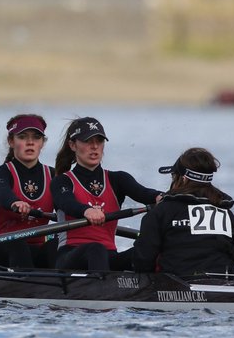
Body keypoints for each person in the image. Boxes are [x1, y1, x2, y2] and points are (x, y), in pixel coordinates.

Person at [52, 116, 161, 271]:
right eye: (87, 141)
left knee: (151, 250)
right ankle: (104, 290)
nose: (95, 146)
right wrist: (87, 211)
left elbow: (145, 193)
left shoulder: (118, 179)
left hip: (108, 256)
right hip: (70, 256)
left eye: (99, 141)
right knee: (96, 249)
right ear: (73, 145)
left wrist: (162, 197)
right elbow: (67, 203)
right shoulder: (61, 181)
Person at [131, 148, 234, 276]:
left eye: (173, 176)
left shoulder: (160, 213)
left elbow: (142, 262)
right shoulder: (225, 213)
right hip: (224, 284)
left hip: (175, 287)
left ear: (183, 179)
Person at [0, 114, 59, 269]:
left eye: (36, 137)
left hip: (37, 247)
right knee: (17, 242)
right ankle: (28, 288)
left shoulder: (55, 176)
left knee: (58, 245)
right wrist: (15, 202)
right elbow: (1, 192)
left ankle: (69, 288)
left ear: (42, 143)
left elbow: (67, 206)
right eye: (23, 137)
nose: (30, 142)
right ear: (11, 141)